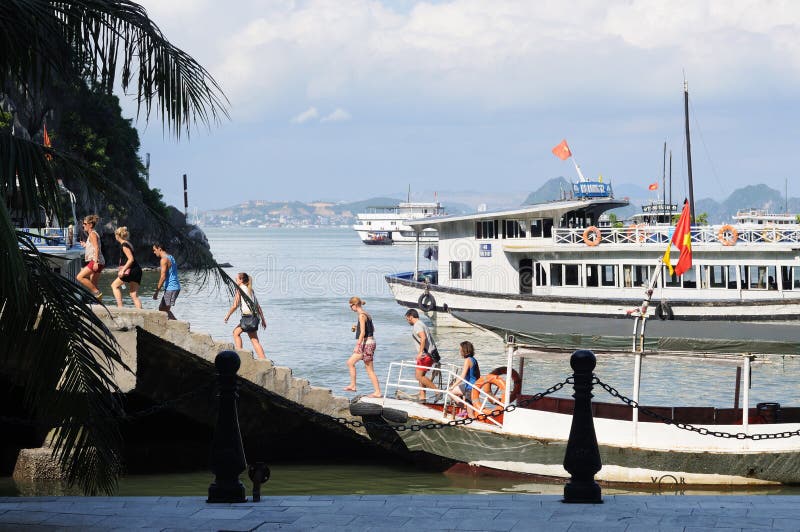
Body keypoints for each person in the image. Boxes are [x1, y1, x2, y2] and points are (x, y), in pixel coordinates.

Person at [223, 272, 267, 360]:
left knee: (243, 336)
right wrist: (263, 319)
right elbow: (258, 306)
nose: (235, 280)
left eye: (237, 279)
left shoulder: (240, 289)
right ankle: (261, 359)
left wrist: (227, 316)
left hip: (247, 318)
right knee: (241, 334)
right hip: (253, 317)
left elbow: (235, 305)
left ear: (241, 280)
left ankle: (242, 355)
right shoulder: (250, 289)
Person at [344, 297, 381, 397]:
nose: (350, 308)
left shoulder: (361, 316)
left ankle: (377, 392)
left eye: (350, 306)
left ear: (355, 305)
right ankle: (353, 385)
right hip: (369, 342)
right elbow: (372, 329)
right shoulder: (366, 314)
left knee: (369, 369)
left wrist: (357, 345)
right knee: (350, 362)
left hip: (367, 344)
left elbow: (363, 332)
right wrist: (358, 328)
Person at [405, 309, 440, 402]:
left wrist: (420, 352)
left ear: (410, 317)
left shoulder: (417, 325)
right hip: (430, 354)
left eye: (407, 319)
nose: (407, 321)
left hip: (425, 355)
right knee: (422, 377)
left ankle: (437, 391)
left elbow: (423, 337)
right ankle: (422, 397)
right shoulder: (422, 323)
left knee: (418, 376)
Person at [110, 227, 143, 309]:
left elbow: (130, 259)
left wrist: (123, 270)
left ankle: (120, 307)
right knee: (133, 294)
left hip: (131, 270)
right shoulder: (128, 243)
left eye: (115, 235)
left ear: (117, 236)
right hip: (137, 270)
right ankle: (141, 312)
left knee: (114, 286)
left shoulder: (124, 245)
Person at [76, 214, 105, 300]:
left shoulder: (92, 234)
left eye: (85, 224)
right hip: (101, 262)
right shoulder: (92, 234)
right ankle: (98, 302)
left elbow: (96, 247)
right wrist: (85, 245)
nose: (83, 225)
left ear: (90, 225)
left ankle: (97, 293)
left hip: (96, 261)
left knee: (79, 277)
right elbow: (93, 246)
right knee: (93, 284)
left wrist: (95, 262)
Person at [152, 242, 180, 320]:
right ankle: (177, 326)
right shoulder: (170, 257)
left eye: (154, 250)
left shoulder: (164, 259)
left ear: (159, 249)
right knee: (163, 309)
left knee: (163, 310)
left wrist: (156, 291)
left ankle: (180, 326)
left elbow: (163, 276)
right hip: (174, 287)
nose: (154, 252)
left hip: (171, 287)